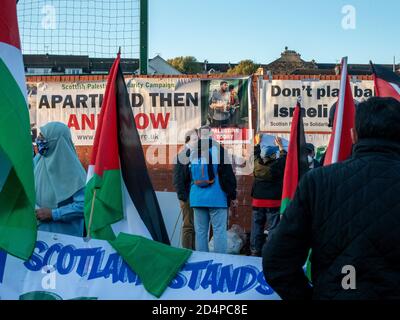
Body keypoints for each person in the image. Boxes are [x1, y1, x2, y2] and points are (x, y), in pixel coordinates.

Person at [262, 97, 400, 300]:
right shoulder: (317, 182)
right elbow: (278, 261)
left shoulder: (318, 181)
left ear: (353, 135)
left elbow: (276, 260)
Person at [189, 125, 238, 253]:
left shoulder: (191, 151)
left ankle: (202, 261)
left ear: (199, 135)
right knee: (219, 231)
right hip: (217, 197)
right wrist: (232, 195)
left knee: (200, 232)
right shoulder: (219, 150)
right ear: (211, 134)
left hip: (197, 198)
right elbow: (228, 175)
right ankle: (219, 262)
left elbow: (186, 176)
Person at [34, 122, 86, 237]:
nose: (38, 140)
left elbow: (84, 205)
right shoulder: (38, 159)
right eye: (39, 136)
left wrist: (53, 214)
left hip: (64, 241)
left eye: (43, 137)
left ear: (56, 141)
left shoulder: (73, 170)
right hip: (38, 234)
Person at [250, 135, 287, 256]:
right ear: (273, 156)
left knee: (256, 227)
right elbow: (284, 158)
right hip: (273, 202)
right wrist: (281, 146)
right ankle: (271, 252)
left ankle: (255, 250)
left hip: (257, 201)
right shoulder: (276, 166)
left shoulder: (256, 164)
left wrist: (257, 143)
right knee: (273, 228)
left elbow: (255, 154)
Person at [173, 129, 198, 250]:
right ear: (188, 140)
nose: (197, 141)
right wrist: (182, 197)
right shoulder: (183, 155)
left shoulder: (196, 154)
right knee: (188, 225)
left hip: (194, 195)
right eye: (195, 139)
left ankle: (193, 250)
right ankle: (187, 251)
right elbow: (177, 178)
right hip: (187, 195)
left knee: (194, 226)